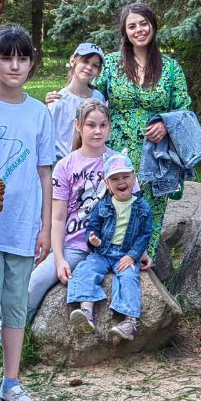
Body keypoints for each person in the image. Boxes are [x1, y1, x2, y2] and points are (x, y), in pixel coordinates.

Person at [0, 23, 54, 401]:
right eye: (6, 57)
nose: (14, 65)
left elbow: (44, 173)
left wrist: (45, 227)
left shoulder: (40, 113)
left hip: (23, 225)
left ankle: (12, 381)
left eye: (22, 57)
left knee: (15, 305)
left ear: (32, 64)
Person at [92, 2, 191, 263]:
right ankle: (108, 261)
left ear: (153, 26)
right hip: (116, 153)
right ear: (125, 32)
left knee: (149, 211)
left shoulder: (170, 68)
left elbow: (185, 109)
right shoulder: (112, 64)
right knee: (114, 206)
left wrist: (166, 124)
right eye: (132, 26)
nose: (139, 30)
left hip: (157, 156)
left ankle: (141, 262)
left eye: (143, 24)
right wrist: (63, 95)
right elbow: (90, 97)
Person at [26, 99, 127, 323]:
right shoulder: (65, 165)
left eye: (103, 125)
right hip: (75, 245)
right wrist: (59, 258)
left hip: (108, 245)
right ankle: (8, 334)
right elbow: (58, 216)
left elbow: (132, 208)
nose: (98, 131)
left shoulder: (118, 161)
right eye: (91, 125)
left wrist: (140, 250)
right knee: (34, 281)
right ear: (78, 126)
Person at [66, 154, 153, 340]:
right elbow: (93, 228)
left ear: (134, 177)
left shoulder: (143, 208)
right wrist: (93, 239)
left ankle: (130, 321)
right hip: (103, 252)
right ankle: (86, 313)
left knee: (128, 277)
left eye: (125, 177)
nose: (121, 182)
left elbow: (144, 235)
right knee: (85, 269)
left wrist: (133, 256)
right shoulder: (103, 205)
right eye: (114, 178)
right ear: (107, 183)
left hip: (125, 253)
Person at [46, 42, 105, 161]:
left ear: (98, 71)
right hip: (62, 162)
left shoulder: (98, 98)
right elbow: (48, 137)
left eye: (95, 65)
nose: (89, 67)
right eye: (85, 61)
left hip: (91, 162)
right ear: (73, 61)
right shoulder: (58, 99)